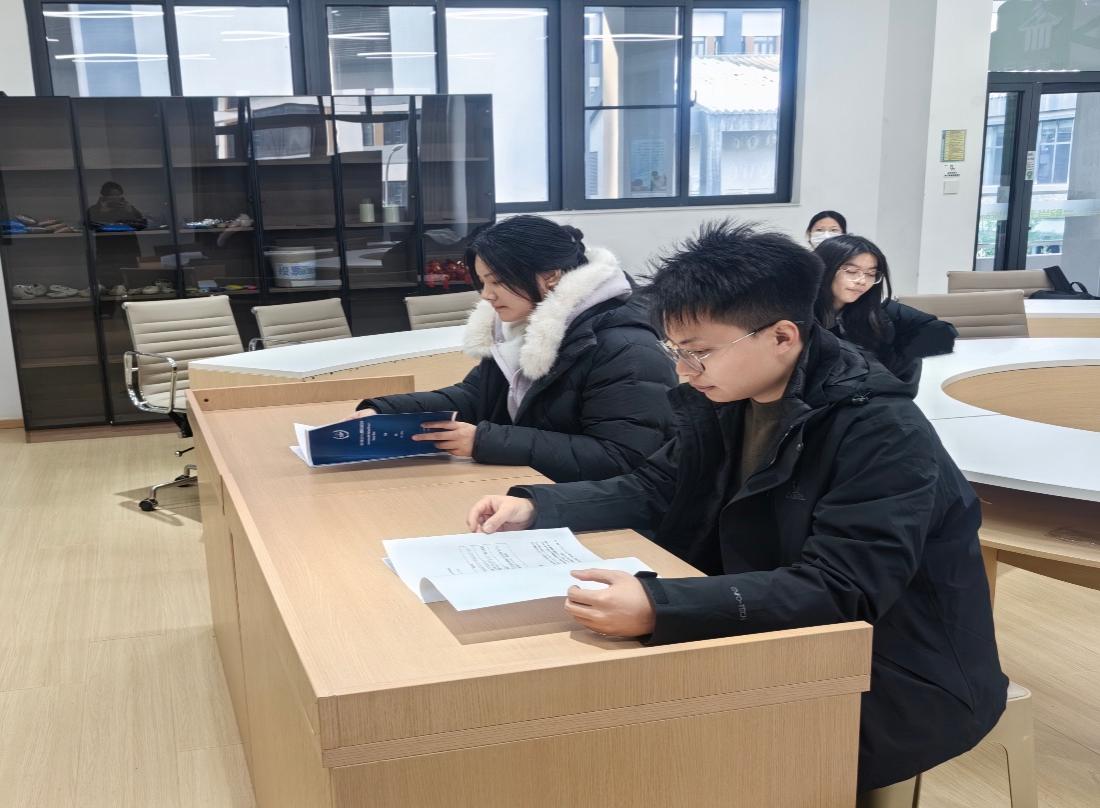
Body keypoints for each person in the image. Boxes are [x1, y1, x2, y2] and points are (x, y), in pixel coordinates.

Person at [464, 220, 1007, 795]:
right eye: (675, 351)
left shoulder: (880, 430)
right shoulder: (728, 395)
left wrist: (661, 606)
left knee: (641, 753)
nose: (682, 370)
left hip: (893, 671)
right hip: (776, 630)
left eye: (698, 352)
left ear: (782, 336)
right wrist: (538, 505)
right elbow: (657, 487)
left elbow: (842, 588)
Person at [354, 215, 677, 483]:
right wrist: (385, 411)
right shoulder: (523, 328)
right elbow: (475, 396)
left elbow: (621, 458)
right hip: (538, 490)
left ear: (550, 276)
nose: (486, 295)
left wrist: (484, 442)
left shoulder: (626, 349)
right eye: (483, 282)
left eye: (497, 281)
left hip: (601, 518)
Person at [814, 235, 957, 383]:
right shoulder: (801, 315)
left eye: (871, 274)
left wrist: (895, 356)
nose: (862, 281)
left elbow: (942, 331)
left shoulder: (876, 310)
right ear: (824, 269)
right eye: (851, 271)